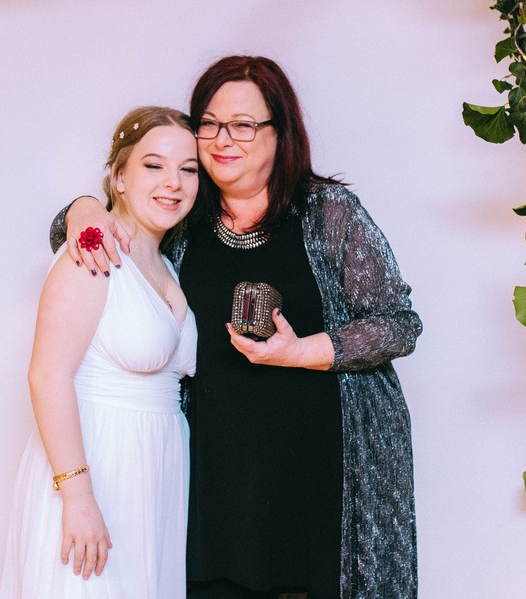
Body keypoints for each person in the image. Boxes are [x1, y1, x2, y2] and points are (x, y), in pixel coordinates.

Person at [53, 56, 422, 599]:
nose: (223, 140)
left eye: (244, 125)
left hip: (323, 480)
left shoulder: (328, 212)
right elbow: (96, 232)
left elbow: (399, 324)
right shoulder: (182, 214)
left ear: (280, 133)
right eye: (210, 123)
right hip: (217, 489)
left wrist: (301, 352)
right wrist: (84, 208)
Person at [0, 106, 199, 598]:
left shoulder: (166, 264)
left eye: (188, 169)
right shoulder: (92, 252)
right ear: (120, 177)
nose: (173, 183)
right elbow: (47, 376)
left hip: (152, 476)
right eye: (153, 165)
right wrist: (79, 497)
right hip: (99, 466)